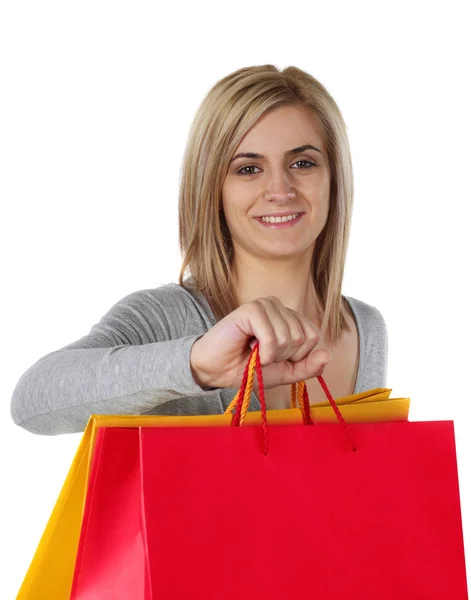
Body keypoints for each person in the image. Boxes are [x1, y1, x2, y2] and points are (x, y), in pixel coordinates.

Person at [10, 64, 387, 436]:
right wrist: (197, 365)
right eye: (248, 169)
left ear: (334, 179)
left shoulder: (365, 328)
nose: (280, 190)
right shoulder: (165, 319)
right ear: (212, 188)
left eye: (303, 163)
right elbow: (32, 402)